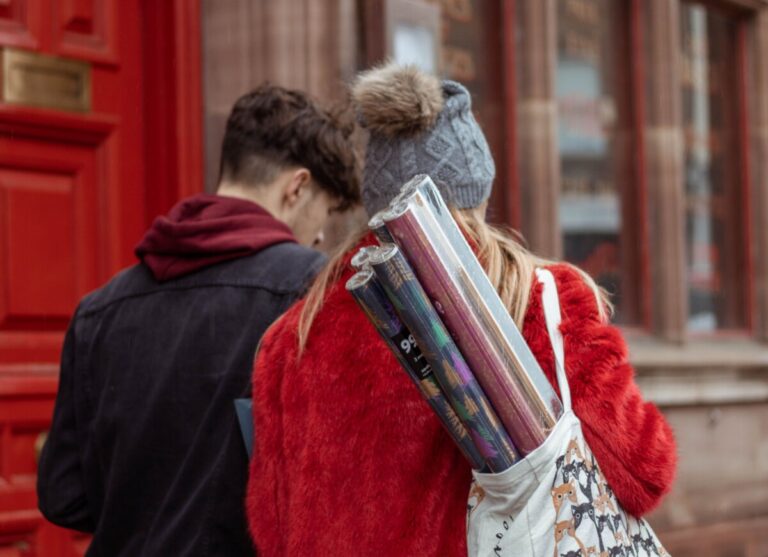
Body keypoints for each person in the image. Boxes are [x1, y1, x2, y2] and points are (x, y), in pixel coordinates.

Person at [245, 64, 677, 555]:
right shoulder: (536, 299)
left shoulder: (291, 336)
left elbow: (271, 529)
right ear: (477, 190)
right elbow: (643, 472)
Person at [37, 84, 360, 556]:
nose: (318, 238)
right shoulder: (310, 291)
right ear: (297, 187)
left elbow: (63, 497)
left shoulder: (100, 309)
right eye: (326, 215)